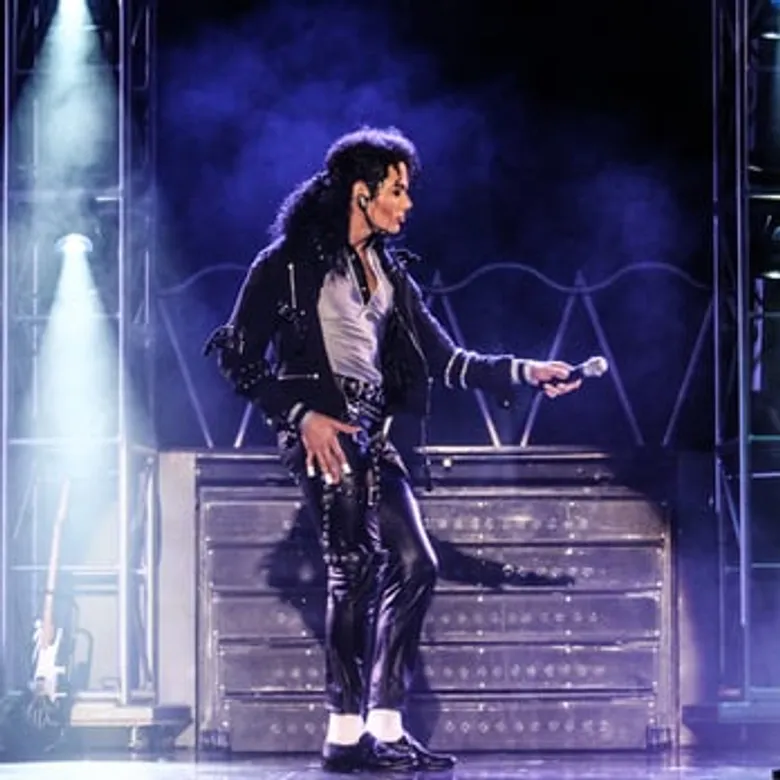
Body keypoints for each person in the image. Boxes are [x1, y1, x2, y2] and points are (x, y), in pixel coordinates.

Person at [204, 126, 581, 773]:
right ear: (362, 191)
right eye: (398, 191)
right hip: (324, 431)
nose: (407, 205)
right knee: (353, 566)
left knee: (416, 563)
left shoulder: (388, 274)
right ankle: (344, 733)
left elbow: (446, 359)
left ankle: (384, 725)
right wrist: (300, 416)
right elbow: (236, 355)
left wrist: (525, 372)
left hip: (374, 436)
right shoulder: (285, 264)